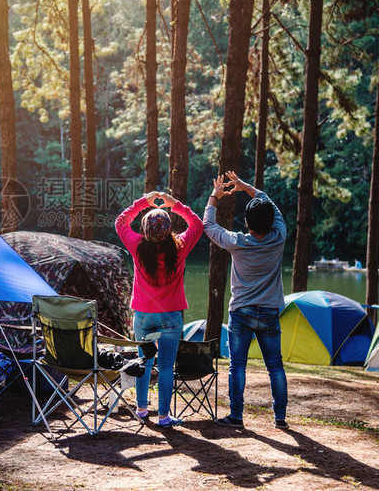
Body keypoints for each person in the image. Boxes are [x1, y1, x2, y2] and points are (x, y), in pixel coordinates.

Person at [204, 171, 289, 430]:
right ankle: (280, 418)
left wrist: (214, 197)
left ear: (246, 221)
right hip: (270, 310)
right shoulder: (279, 236)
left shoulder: (237, 242)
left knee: (237, 365)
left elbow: (208, 226)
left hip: (241, 311)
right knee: (275, 365)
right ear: (271, 222)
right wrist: (247, 188)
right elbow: (270, 204)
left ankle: (237, 416)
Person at [115, 191, 203, 427]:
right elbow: (197, 223)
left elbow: (120, 221)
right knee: (165, 366)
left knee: (144, 362)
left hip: (143, 316)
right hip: (171, 317)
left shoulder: (136, 246)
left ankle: (142, 410)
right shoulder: (180, 246)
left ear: (144, 230)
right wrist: (175, 204)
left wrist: (143, 202)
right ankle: (163, 416)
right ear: (168, 228)